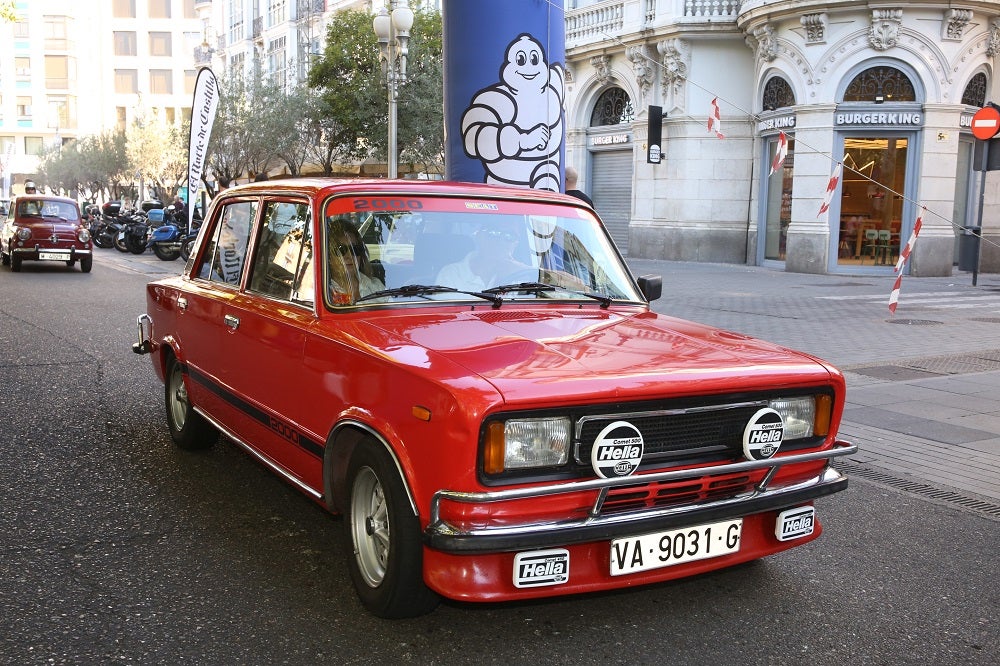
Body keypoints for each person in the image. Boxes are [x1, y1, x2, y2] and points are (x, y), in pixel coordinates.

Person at [436, 221, 530, 291]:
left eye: (510, 236)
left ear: (516, 243)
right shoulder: (452, 274)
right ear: (480, 236)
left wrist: (521, 270)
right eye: (493, 233)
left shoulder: (522, 277)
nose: (501, 241)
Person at [327, 218, 384, 304]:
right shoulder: (325, 294)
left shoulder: (376, 286)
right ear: (329, 256)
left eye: (355, 249)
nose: (350, 256)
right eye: (341, 250)